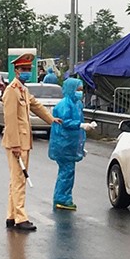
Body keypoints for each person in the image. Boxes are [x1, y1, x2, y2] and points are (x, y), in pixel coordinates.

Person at [2, 53, 61, 231]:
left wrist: (51, 119)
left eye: (29, 69)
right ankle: (20, 217)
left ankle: (12, 215)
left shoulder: (23, 90)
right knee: (20, 179)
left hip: (23, 141)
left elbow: (36, 105)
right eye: (24, 69)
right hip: (17, 142)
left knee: (16, 179)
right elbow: (10, 119)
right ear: (16, 71)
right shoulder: (12, 91)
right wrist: (15, 144)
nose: (27, 72)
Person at [48, 78, 95, 210]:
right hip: (63, 145)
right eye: (78, 90)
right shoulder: (64, 105)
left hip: (70, 145)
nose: (80, 93)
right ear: (71, 89)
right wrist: (81, 125)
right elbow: (65, 122)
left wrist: (80, 146)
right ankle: (61, 199)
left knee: (68, 173)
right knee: (66, 173)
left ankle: (64, 197)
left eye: (81, 90)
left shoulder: (77, 104)